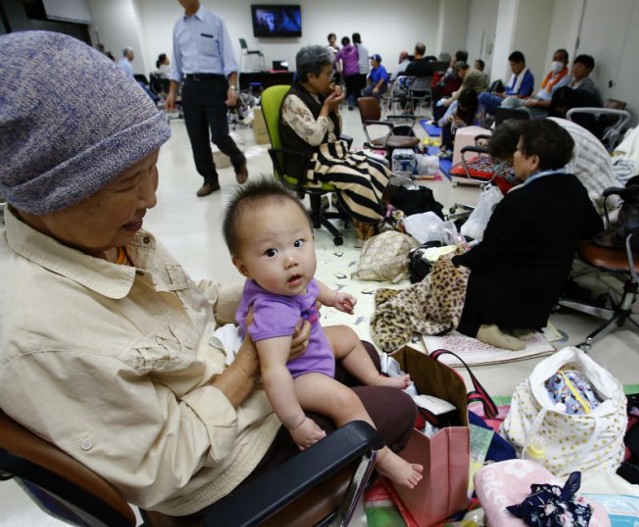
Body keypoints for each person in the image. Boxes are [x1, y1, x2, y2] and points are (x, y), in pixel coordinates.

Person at [0, 30, 416, 516]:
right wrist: (254, 361)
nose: (150, 198)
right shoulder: (35, 333)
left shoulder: (104, 236)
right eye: (127, 185)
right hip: (220, 468)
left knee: (357, 349)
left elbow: (187, 296)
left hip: (232, 382)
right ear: (51, 192)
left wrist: (274, 296)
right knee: (395, 410)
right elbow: (167, 463)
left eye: (152, 171)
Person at [223, 180, 423, 488]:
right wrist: (296, 422)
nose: (291, 259)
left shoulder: (288, 278)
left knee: (345, 335)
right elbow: (274, 371)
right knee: (343, 401)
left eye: (299, 243)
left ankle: (374, 380)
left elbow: (312, 285)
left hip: (309, 348)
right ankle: (382, 457)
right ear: (243, 267)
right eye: (271, 251)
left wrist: (333, 298)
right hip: (298, 376)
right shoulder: (271, 312)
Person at [371, 119, 603, 351]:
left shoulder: (518, 199)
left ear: (533, 161)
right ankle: (514, 323)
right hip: (542, 302)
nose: (514, 156)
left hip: (504, 299)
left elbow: (487, 255)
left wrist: (455, 261)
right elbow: (594, 230)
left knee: (447, 268)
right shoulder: (576, 189)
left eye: (518, 150)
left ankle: (476, 326)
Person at [281, 45, 390, 226]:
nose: (331, 77)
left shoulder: (316, 94)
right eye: (327, 73)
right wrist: (326, 107)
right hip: (307, 162)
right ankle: (369, 224)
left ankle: (377, 212)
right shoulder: (293, 100)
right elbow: (315, 137)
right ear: (311, 76)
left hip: (327, 152)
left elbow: (335, 131)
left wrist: (334, 107)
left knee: (379, 164)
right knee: (360, 179)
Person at [165, 0, 248, 197]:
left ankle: (238, 159)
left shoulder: (215, 21)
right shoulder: (178, 27)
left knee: (219, 135)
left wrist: (232, 87)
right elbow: (176, 63)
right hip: (190, 87)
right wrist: (172, 91)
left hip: (215, 85)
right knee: (197, 138)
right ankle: (210, 179)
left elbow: (229, 58)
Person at [502, 49, 570, 117]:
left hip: (542, 107)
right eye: (555, 59)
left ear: (566, 62)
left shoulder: (566, 80)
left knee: (520, 112)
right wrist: (531, 97)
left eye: (560, 59)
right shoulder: (550, 76)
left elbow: (556, 103)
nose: (557, 62)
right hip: (535, 100)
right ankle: (498, 124)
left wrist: (536, 102)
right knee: (509, 100)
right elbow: (542, 92)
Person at [478, 51, 535, 117]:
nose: (512, 68)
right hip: (504, 98)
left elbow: (522, 97)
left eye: (513, 65)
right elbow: (507, 90)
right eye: (511, 65)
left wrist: (502, 95)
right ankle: (481, 123)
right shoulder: (515, 76)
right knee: (483, 105)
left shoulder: (528, 77)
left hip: (511, 103)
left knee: (483, 95)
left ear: (521, 63)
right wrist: (498, 94)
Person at [437, 61, 490, 129]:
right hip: (476, 97)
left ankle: (443, 120)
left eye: (458, 73)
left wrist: (450, 100)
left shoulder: (469, 75)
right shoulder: (472, 72)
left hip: (477, 97)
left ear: (461, 70)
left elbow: (462, 90)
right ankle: (444, 120)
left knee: (454, 102)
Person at [549, 54, 602, 118]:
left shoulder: (588, 84)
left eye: (580, 66)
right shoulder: (571, 82)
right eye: (575, 65)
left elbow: (582, 103)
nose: (575, 68)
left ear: (588, 70)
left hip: (577, 115)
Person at [437, 89, 480, 159]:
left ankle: (451, 150)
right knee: (447, 124)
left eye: (464, 106)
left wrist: (463, 124)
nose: (461, 107)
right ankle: (446, 148)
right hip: (453, 136)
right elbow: (440, 123)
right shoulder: (456, 104)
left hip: (468, 137)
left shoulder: (478, 110)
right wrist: (448, 119)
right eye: (460, 105)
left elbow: (478, 131)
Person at [334, 36, 360, 110]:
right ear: (349, 42)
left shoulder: (341, 51)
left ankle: (350, 102)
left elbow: (336, 60)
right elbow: (358, 58)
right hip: (355, 72)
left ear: (342, 43)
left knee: (349, 88)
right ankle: (355, 102)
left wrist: (339, 69)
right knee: (355, 88)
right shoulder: (355, 49)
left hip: (346, 73)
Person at [352, 33, 370, 102]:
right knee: (363, 85)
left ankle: (358, 101)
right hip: (364, 69)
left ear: (353, 39)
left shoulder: (353, 48)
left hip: (357, 69)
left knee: (356, 86)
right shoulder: (364, 47)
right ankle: (363, 100)